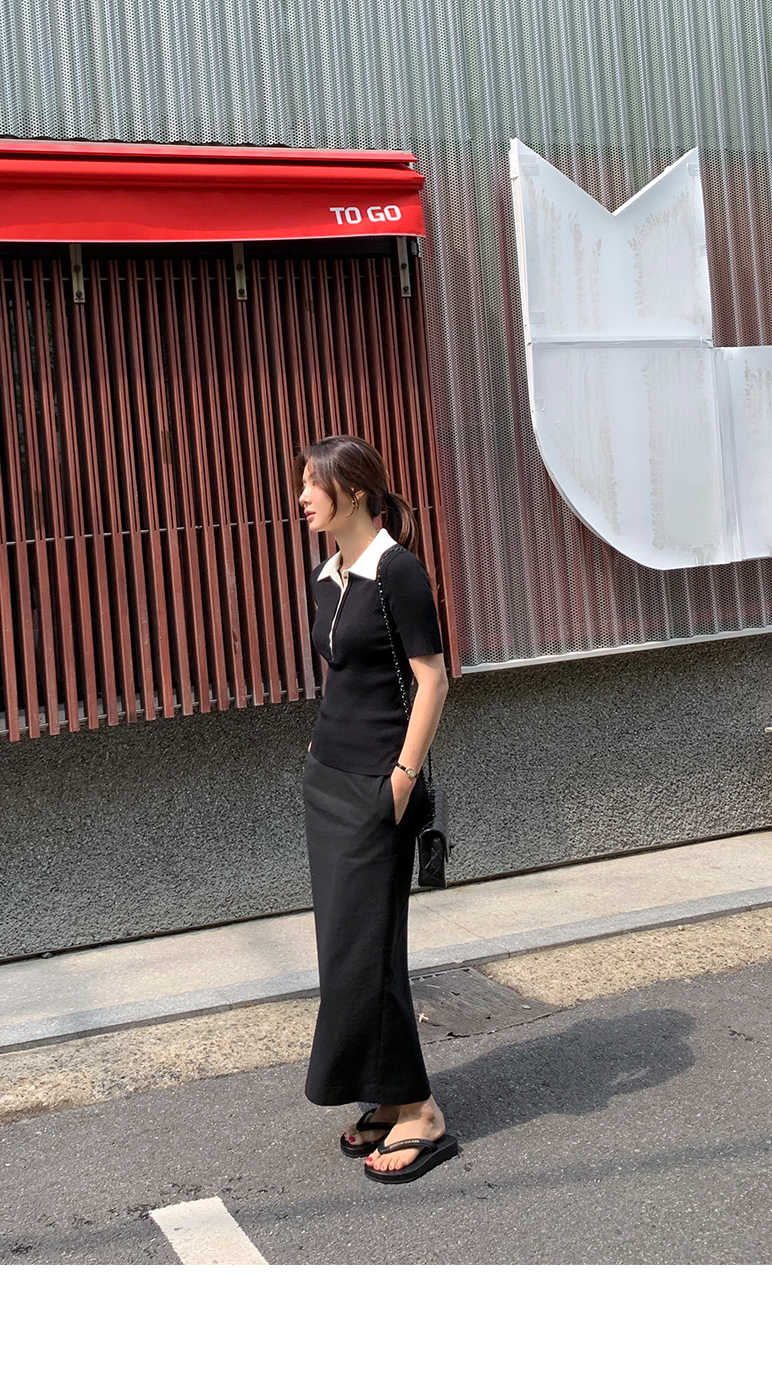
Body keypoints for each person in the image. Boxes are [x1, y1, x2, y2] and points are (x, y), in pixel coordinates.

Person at [299, 431, 458, 1185]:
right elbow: (344, 676)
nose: (302, 497)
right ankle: (389, 1095)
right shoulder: (329, 574)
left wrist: (401, 777)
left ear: (354, 492)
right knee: (347, 950)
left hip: (376, 787)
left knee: (368, 949)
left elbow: (434, 679)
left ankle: (421, 1112)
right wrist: (318, 750)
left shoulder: (398, 571)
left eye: (314, 484)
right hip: (328, 782)